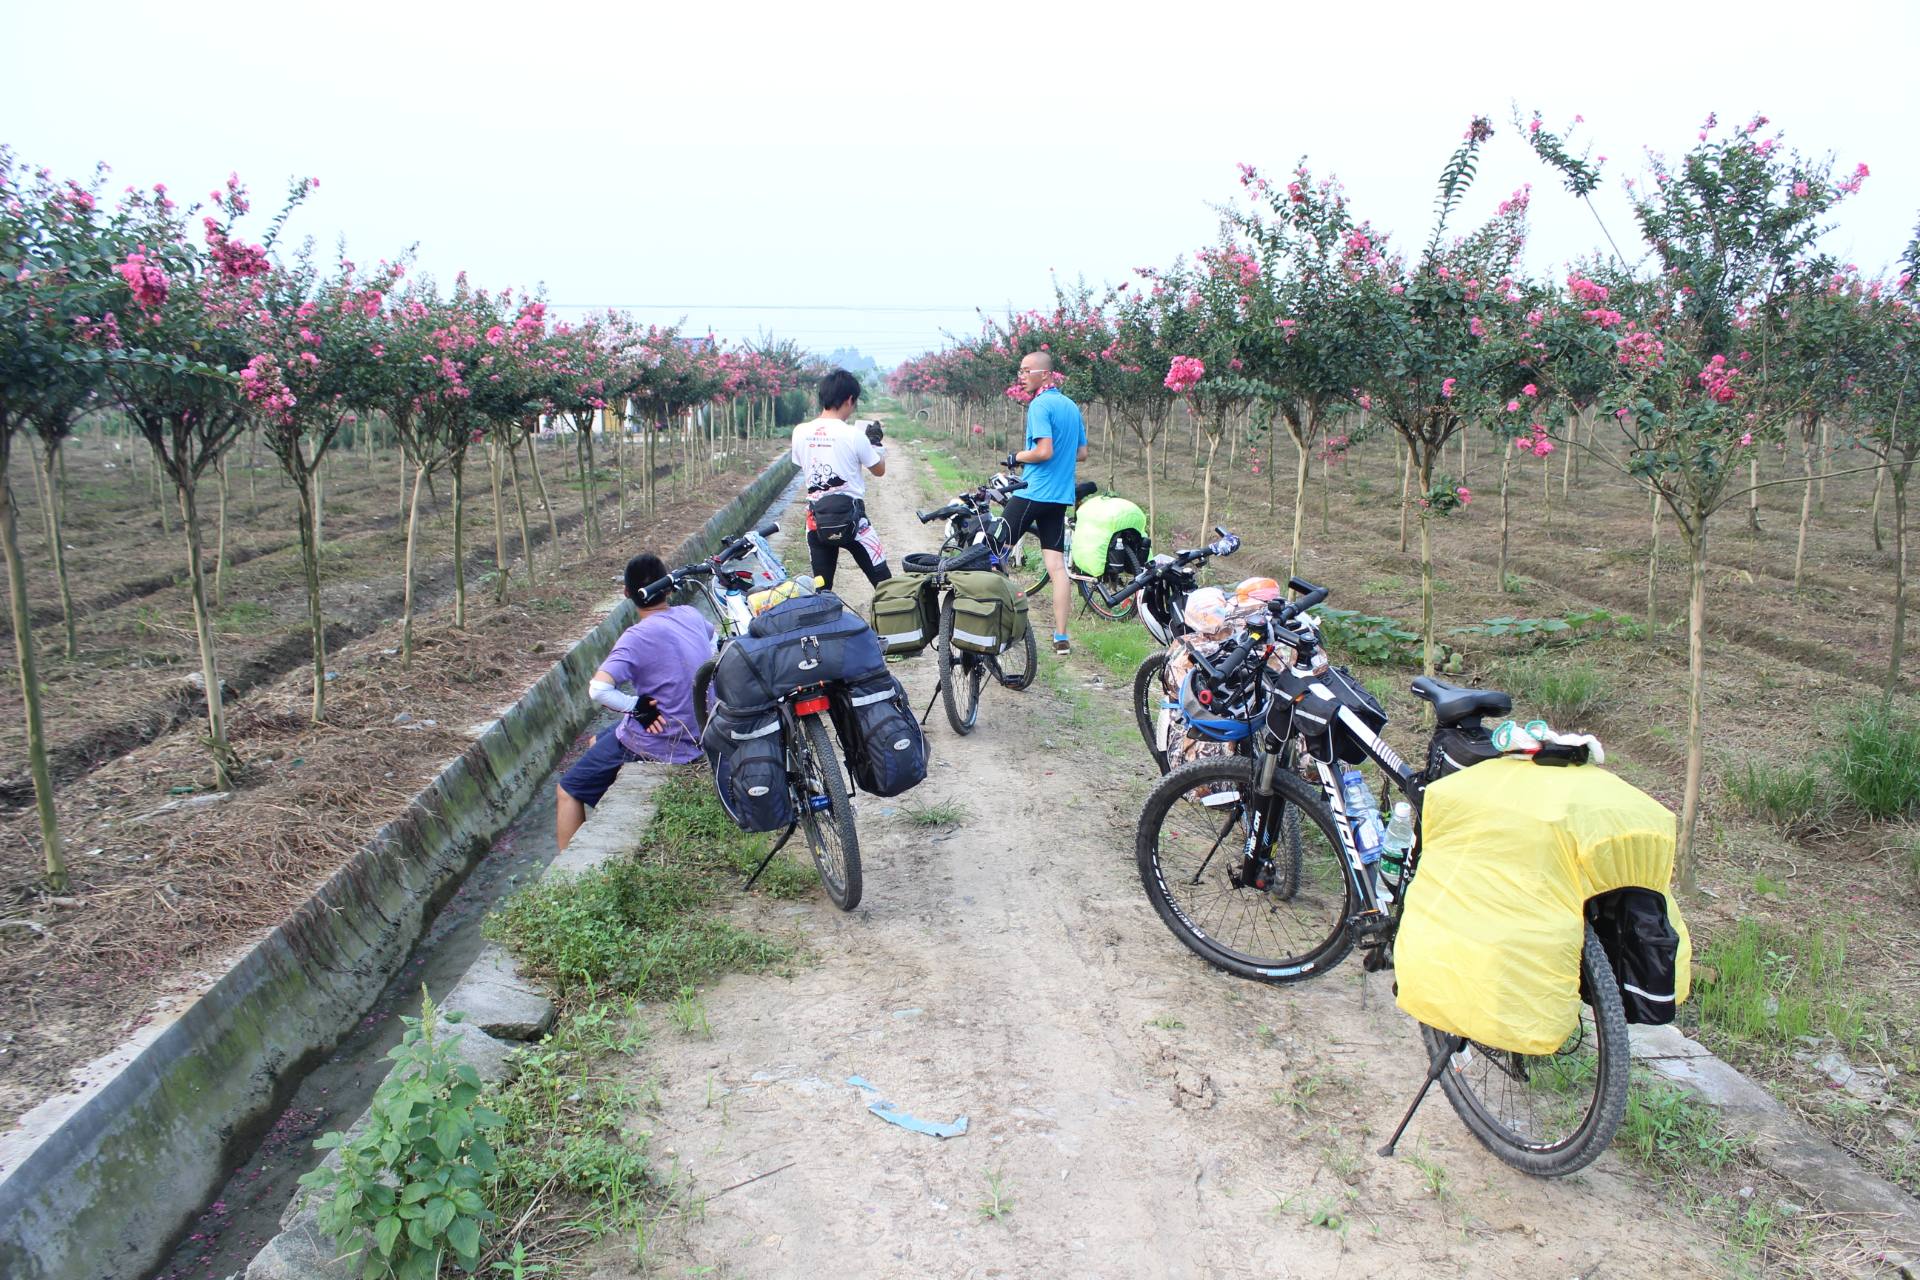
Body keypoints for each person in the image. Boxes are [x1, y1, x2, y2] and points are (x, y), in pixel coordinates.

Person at [554, 552, 714, 851]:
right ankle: (609, 800)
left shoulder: (636, 636)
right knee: (596, 740)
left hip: (666, 740)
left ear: (627, 594)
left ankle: (568, 875)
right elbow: (712, 638)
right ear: (668, 588)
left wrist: (635, 706)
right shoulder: (690, 615)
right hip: (701, 727)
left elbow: (599, 690)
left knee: (567, 790)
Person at [1002, 350, 1088, 654]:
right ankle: (1061, 637)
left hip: (1032, 492)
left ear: (1045, 375)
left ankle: (995, 624)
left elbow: (1043, 451)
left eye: (1027, 371)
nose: (1022, 377)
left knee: (994, 553)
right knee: (1057, 567)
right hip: (1060, 497)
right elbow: (1081, 453)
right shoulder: (1071, 407)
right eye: (1021, 371)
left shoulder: (1039, 405)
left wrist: (1016, 457)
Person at [791, 367, 891, 591]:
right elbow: (879, 470)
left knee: (822, 589)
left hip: (817, 522)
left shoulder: (799, 432)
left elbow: (801, 463)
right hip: (855, 521)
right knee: (886, 585)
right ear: (849, 399)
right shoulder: (854, 435)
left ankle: (825, 623)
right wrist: (875, 443)